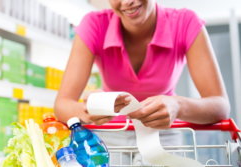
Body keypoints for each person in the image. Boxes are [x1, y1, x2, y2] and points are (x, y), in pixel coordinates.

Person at [54, 0, 230, 164]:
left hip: (163, 134)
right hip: (111, 134)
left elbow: (220, 105)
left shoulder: (186, 22)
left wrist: (178, 106)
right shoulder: (93, 24)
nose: (127, 2)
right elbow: (62, 105)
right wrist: (87, 111)